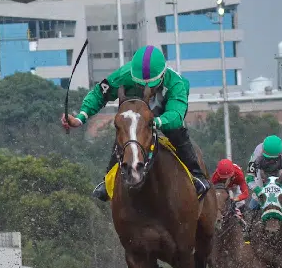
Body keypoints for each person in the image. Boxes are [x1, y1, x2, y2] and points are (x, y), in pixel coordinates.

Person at [61, 45, 211, 201]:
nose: (145, 88)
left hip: (163, 115)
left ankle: (197, 175)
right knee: (125, 135)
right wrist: (80, 118)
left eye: (150, 85)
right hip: (136, 116)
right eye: (139, 84)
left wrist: (155, 121)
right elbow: (99, 94)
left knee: (177, 133)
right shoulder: (124, 75)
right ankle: (108, 181)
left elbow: (175, 115)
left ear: (162, 75)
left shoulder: (176, 84)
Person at [244, 135, 282, 238]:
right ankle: (247, 227)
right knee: (255, 199)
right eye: (268, 159)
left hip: (279, 172)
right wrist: (259, 191)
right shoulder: (256, 155)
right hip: (261, 173)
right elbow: (249, 178)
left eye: (274, 159)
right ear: (263, 151)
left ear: (280, 153)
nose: (271, 162)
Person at [212, 158, 250, 222]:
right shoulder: (215, 177)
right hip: (222, 189)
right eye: (223, 178)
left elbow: (245, 193)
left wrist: (235, 199)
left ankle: (243, 220)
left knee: (241, 203)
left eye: (227, 178)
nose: (225, 180)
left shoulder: (239, 174)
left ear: (232, 174)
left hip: (234, 187)